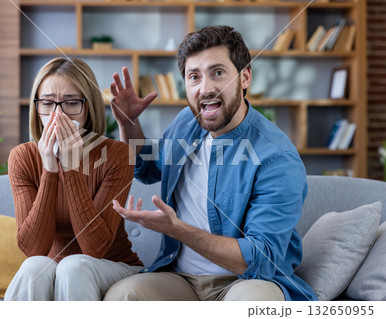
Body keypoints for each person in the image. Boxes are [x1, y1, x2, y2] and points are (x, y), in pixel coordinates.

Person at [104, 26, 318, 301]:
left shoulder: (276, 157)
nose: (205, 88)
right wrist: (128, 123)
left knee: (253, 300)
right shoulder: (185, 122)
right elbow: (147, 168)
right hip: (181, 279)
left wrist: (177, 229)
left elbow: (260, 260)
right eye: (194, 77)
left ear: (244, 77)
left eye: (218, 73)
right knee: (124, 296)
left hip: (244, 281)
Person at [4, 57, 143, 301]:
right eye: (47, 103)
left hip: (110, 266)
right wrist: (50, 170)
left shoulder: (117, 155)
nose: (58, 115)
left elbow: (95, 248)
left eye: (70, 103)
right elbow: (32, 249)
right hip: (53, 270)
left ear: (88, 108)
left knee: (73, 265)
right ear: (36, 107)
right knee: (33, 267)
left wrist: (70, 169)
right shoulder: (22, 157)